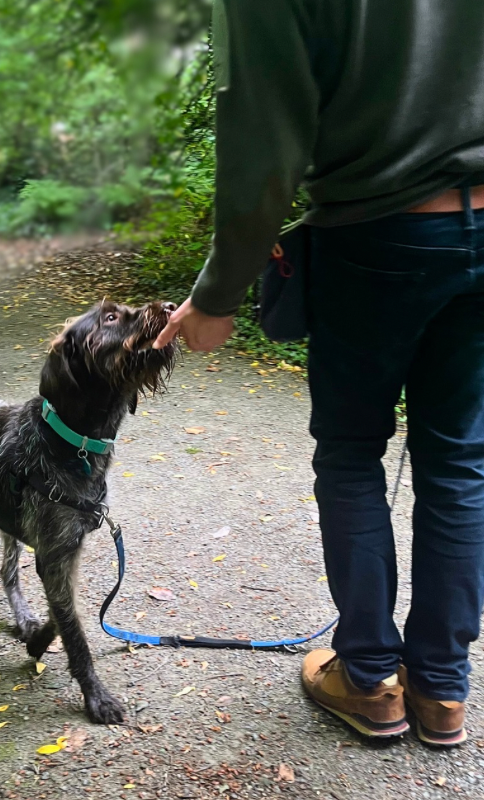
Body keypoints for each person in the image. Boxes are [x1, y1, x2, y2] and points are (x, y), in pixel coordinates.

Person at [154, 1, 484, 748]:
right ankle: (442, 690)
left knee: (350, 451)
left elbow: (262, 142)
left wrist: (218, 296)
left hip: (375, 233)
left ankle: (368, 679)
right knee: (459, 459)